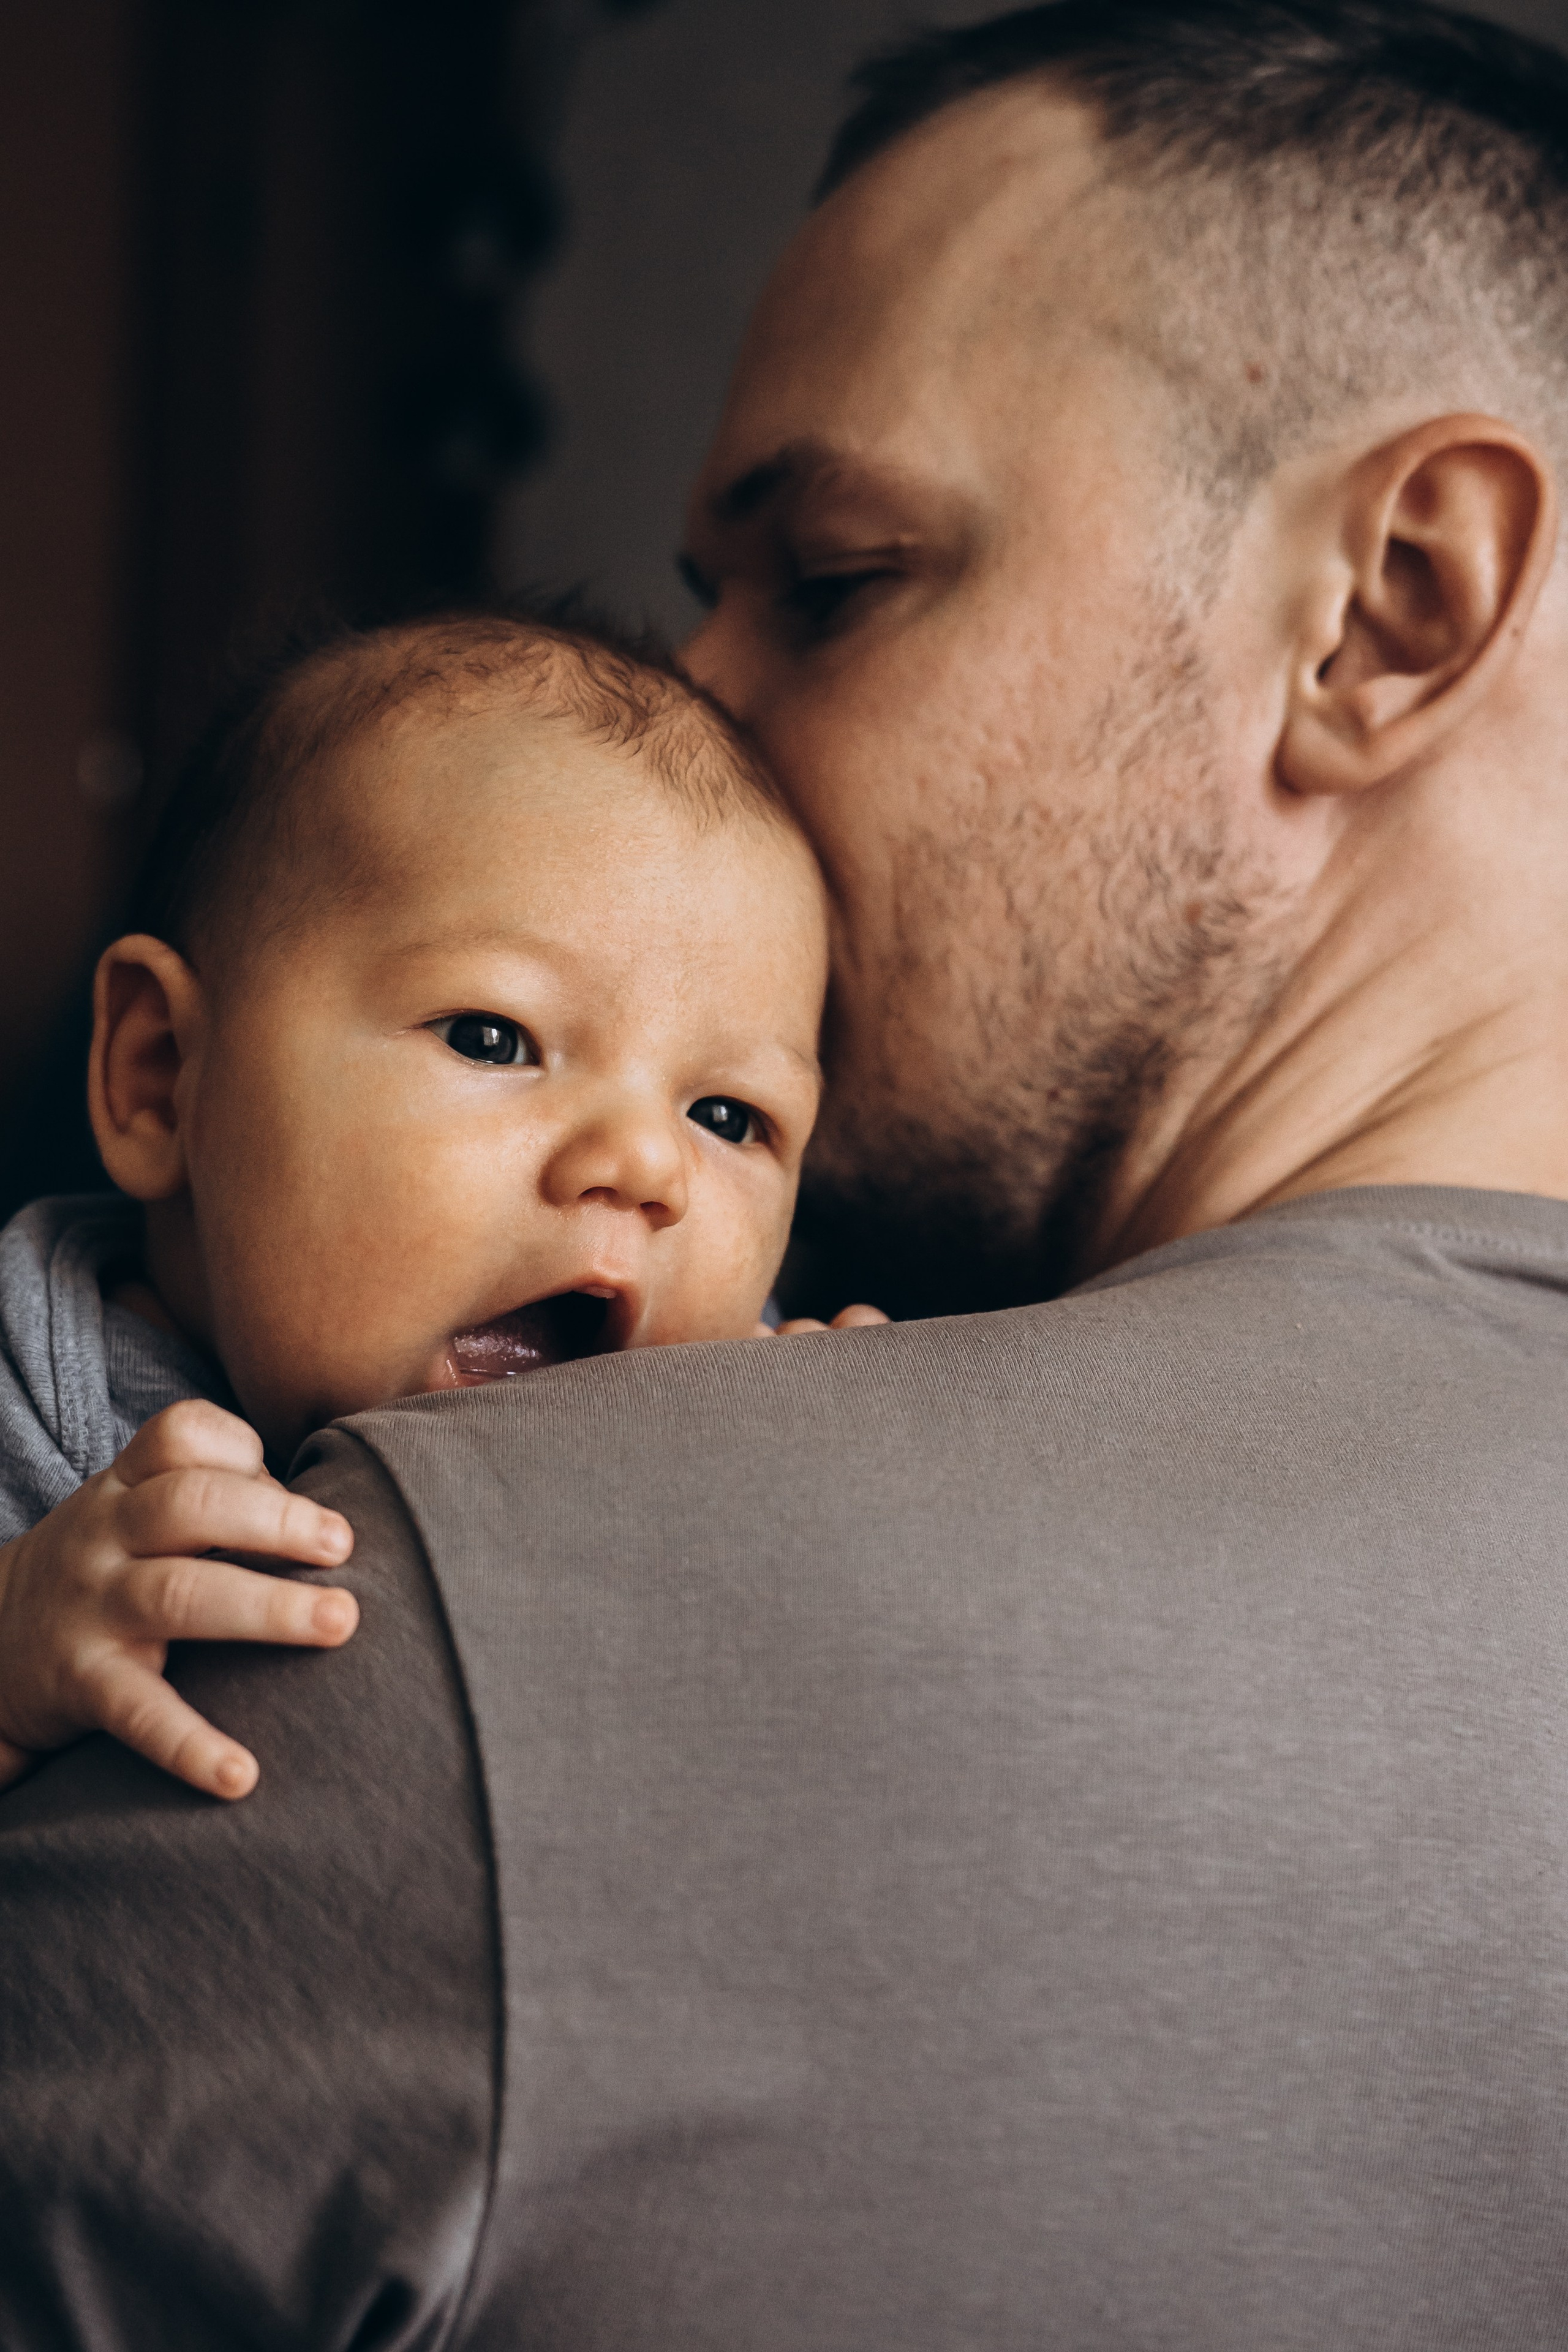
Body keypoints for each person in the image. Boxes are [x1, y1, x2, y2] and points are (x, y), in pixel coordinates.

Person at [8, 2, 1568, 2343]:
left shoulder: (425, 1598)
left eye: (835, 575)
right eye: (500, 1035)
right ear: (162, 1075)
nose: (704, 709)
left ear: (1391, 604)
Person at [0, 604, 872, 1802]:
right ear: (162, 1077)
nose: (642, 1166)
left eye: (726, 1117)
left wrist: (837, 1473)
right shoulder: (24, 1397)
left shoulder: (722, 1395)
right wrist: (16, 1636)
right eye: (493, 1036)